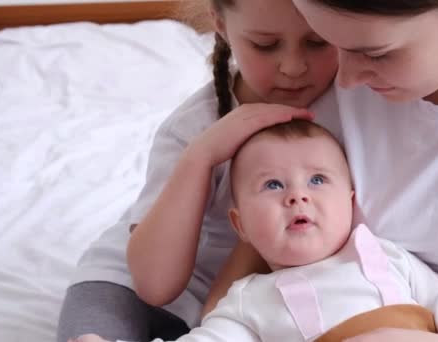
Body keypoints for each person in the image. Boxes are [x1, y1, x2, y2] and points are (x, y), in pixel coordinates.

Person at [203, 0, 438, 340]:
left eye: (375, 54)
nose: (345, 81)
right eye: (327, 41)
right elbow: (228, 307)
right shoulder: (321, 99)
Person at [72, 120, 438, 342]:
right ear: (240, 226)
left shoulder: (385, 259)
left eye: (317, 180)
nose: (297, 195)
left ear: (352, 202)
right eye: (272, 185)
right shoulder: (249, 300)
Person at [56, 0, 341, 341]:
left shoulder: (355, 114)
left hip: (244, 304)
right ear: (220, 24)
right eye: (265, 45)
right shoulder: (191, 128)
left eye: (318, 42)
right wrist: (201, 156)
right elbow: (155, 286)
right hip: (131, 284)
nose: (294, 67)